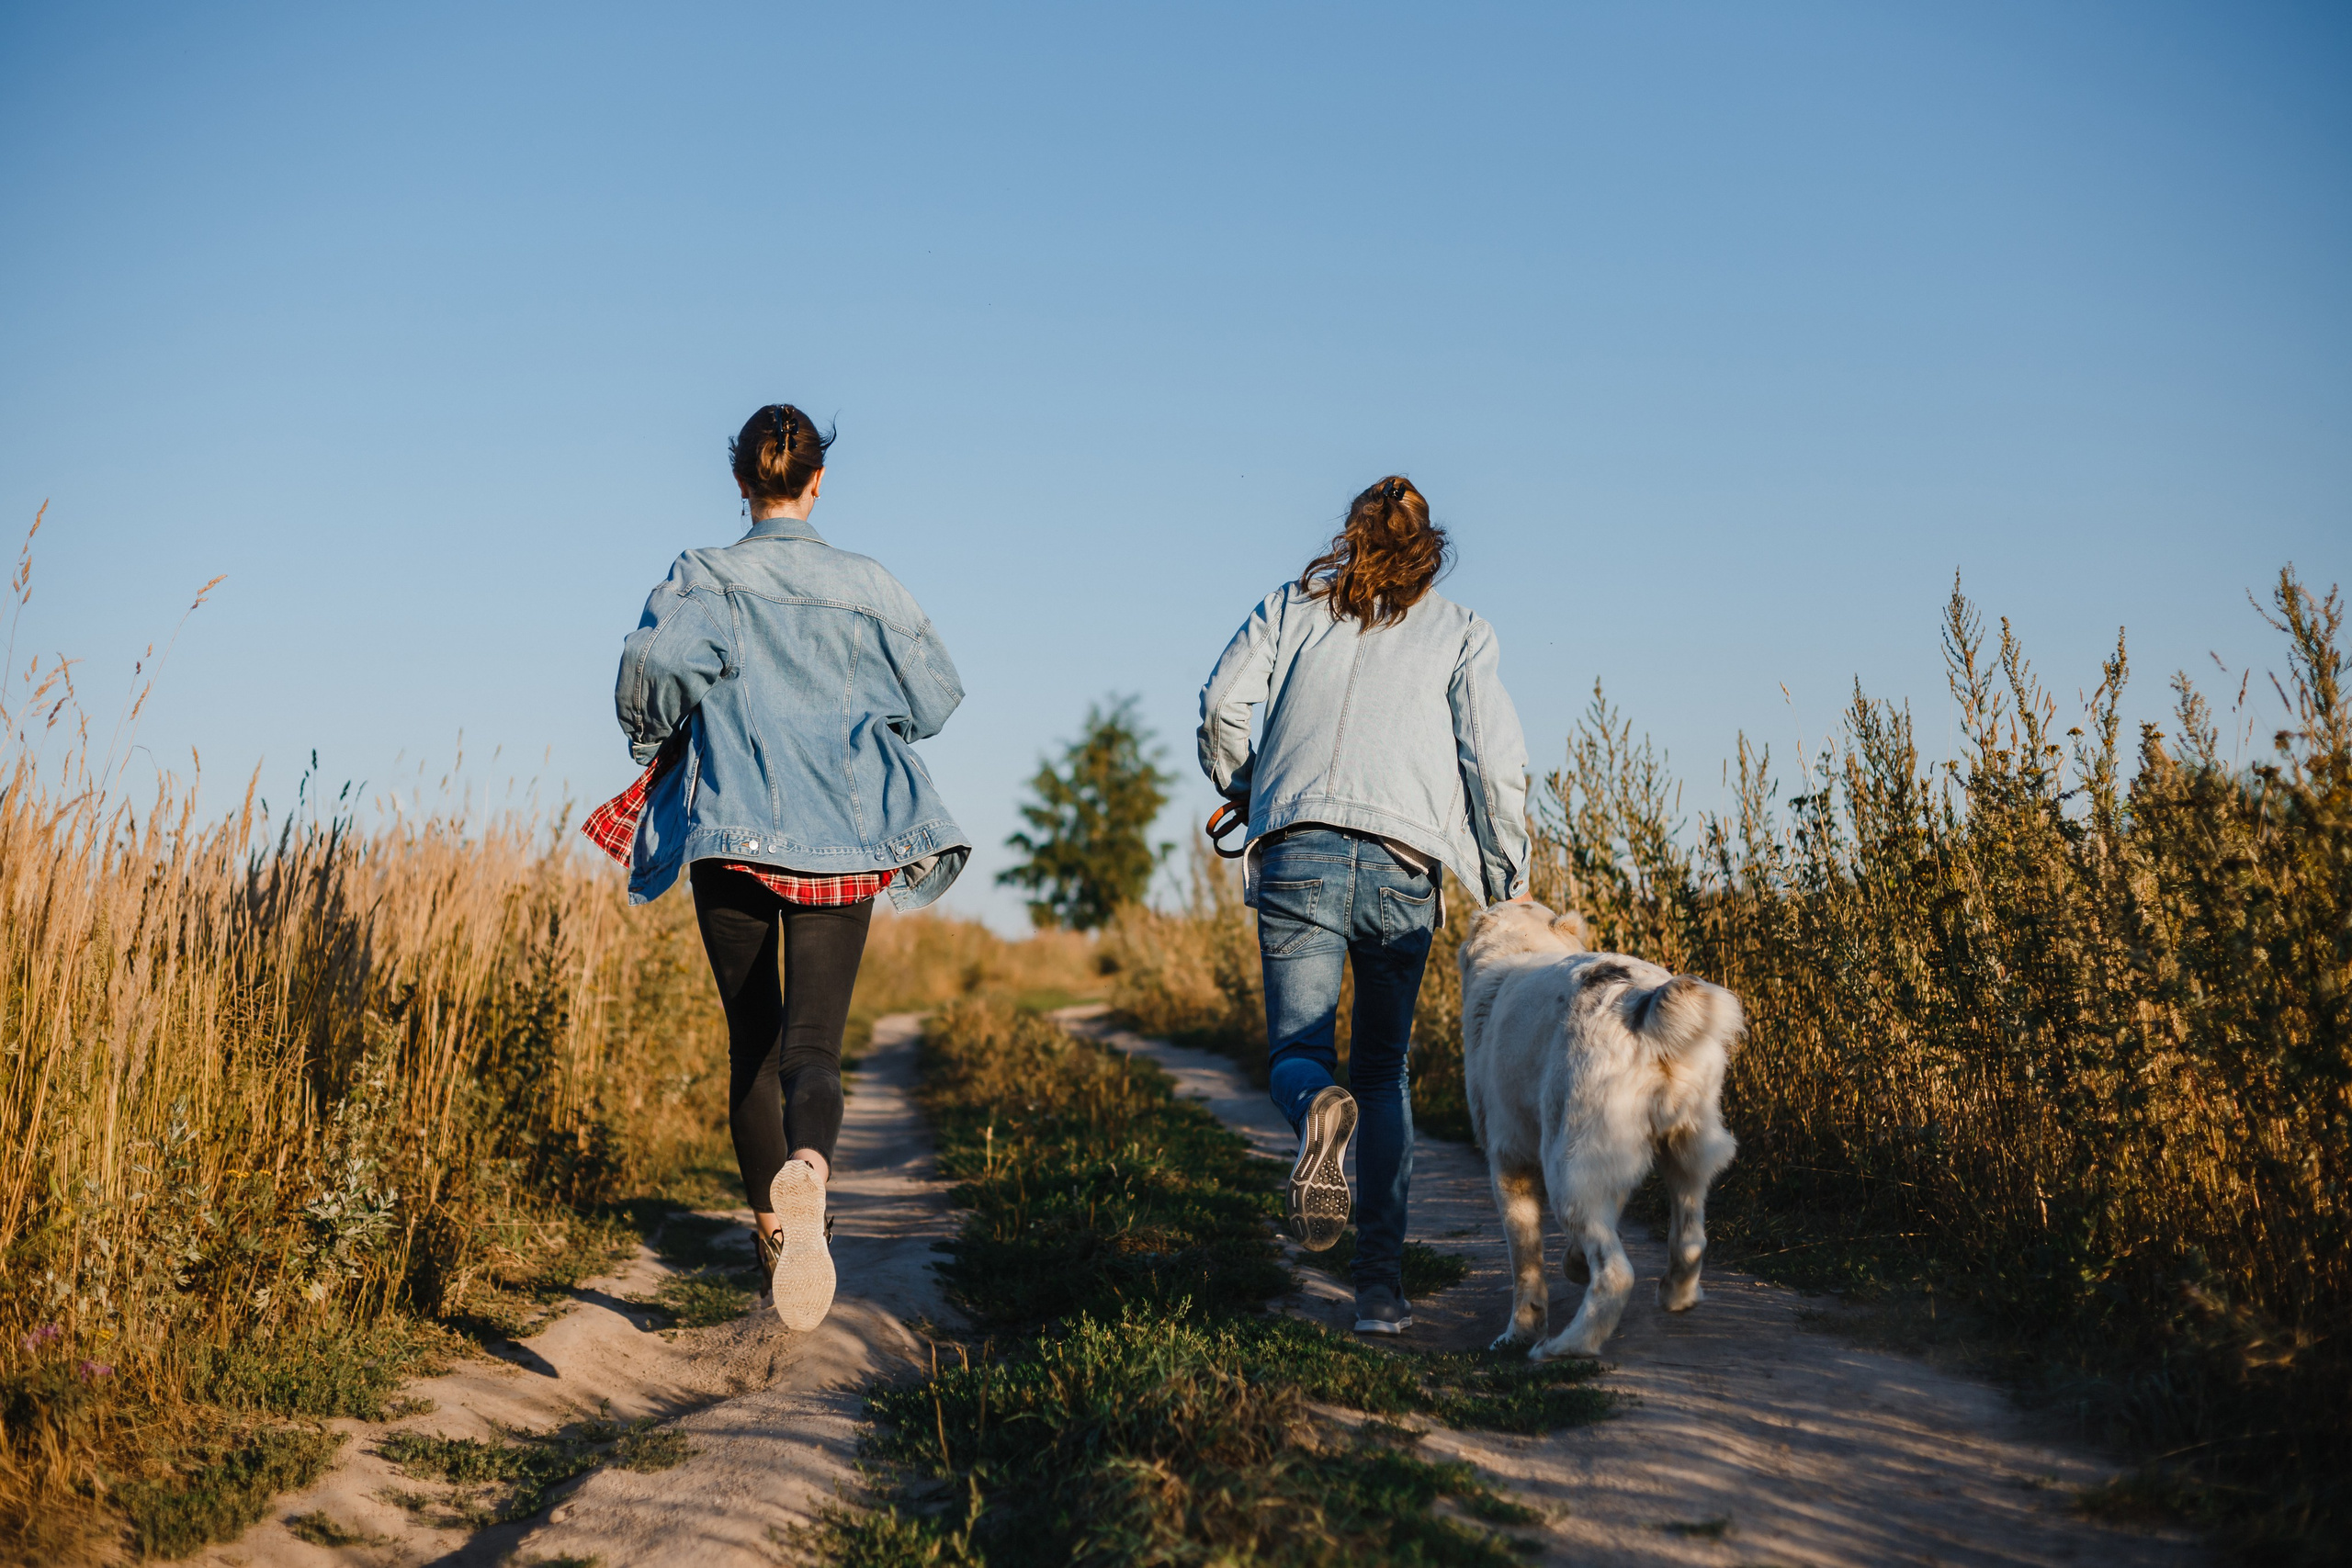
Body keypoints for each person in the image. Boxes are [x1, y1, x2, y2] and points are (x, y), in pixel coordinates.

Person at [595, 403, 969, 1332]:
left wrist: (658, 737)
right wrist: (867, 726)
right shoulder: (870, 586)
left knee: (752, 1049)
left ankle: (777, 1241)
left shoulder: (705, 576)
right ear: (818, 481)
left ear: (741, 481)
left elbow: (650, 674)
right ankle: (810, 1168)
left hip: (729, 836)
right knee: (813, 1051)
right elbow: (937, 695)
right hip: (842, 838)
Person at [1196, 475, 1531, 1336]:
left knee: (1299, 1054)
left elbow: (1221, 704)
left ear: (1351, 535)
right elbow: (1491, 763)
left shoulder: (1291, 607)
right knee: (1383, 1072)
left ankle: (1316, 1107)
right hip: (1401, 867)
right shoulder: (1462, 631)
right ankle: (1379, 1289)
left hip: (1296, 848)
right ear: (1430, 548)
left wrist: (1248, 786)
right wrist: (1508, 885)